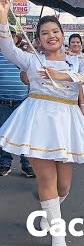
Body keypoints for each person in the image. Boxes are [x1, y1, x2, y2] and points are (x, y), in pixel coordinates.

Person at [0, 1, 84, 246]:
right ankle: (58, 232)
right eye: (44, 33)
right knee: (46, 178)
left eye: (54, 32)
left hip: (66, 122)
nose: (50, 36)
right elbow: (7, 48)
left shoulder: (77, 63)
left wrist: (65, 76)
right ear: (39, 39)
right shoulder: (32, 60)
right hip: (37, 120)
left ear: (62, 35)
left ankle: (49, 212)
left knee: (63, 185)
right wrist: (3, 18)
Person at [0, 25, 35, 178]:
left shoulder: (24, 55)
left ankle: (27, 164)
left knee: (25, 135)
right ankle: (4, 164)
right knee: (3, 135)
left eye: (10, 35)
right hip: (3, 103)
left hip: (24, 102)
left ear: (15, 38)